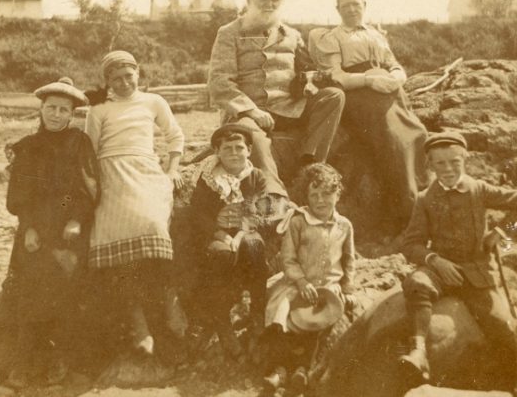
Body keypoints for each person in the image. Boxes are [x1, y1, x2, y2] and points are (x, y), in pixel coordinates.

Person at [399, 131, 517, 391]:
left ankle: (513, 384)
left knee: (505, 330)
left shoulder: (479, 189)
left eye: (455, 162)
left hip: (476, 273)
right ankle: (418, 351)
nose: (448, 169)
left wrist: (501, 232)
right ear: (430, 165)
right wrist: (436, 261)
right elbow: (410, 244)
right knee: (416, 283)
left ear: (465, 159)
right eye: (440, 163)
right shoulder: (425, 199)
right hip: (440, 271)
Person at [208, 0, 345, 201]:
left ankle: (311, 164)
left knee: (334, 96)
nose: (269, 4)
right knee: (253, 137)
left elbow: (306, 71)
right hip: (248, 112)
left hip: (288, 108)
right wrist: (252, 111)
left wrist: (310, 81)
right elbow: (219, 83)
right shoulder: (229, 32)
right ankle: (275, 194)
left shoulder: (292, 34)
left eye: (275, 0)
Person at [86, 50, 185, 356]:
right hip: (111, 174)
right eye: (116, 78)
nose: (124, 83)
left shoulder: (154, 101)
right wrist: (95, 186)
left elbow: (175, 137)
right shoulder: (99, 110)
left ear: (138, 73)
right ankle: (139, 324)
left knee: (155, 227)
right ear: (107, 81)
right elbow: (89, 151)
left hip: (146, 169)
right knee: (118, 244)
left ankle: (170, 302)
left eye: (129, 76)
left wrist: (172, 170)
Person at [308, 0, 427, 231]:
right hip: (359, 94)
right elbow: (337, 76)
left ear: (364, 6)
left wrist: (397, 77)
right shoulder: (333, 37)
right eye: (346, 6)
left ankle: (425, 202)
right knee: (393, 138)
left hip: (389, 91)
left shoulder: (375, 34)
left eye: (356, 4)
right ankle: (406, 213)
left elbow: (393, 64)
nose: (352, 10)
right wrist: (369, 80)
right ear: (338, 9)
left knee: (418, 132)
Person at [4, 77, 99, 387]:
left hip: (70, 229)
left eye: (63, 110)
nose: (56, 115)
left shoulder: (79, 143)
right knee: (30, 291)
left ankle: (61, 359)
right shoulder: (28, 147)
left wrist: (77, 220)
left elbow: (89, 187)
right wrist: (29, 228)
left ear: (71, 114)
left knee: (66, 290)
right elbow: (20, 195)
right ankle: (24, 362)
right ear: (41, 109)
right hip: (36, 228)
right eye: (51, 108)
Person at [262, 163, 356, 395]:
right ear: (306, 196)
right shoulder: (298, 222)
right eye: (314, 195)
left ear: (337, 194)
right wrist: (301, 281)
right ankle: (279, 369)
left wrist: (348, 288)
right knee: (282, 316)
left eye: (326, 194)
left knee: (320, 322)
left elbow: (349, 260)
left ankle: (302, 370)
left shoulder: (344, 226)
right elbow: (288, 259)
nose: (320, 200)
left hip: (328, 287)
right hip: (297, 284)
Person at [189, 123, 270, 361]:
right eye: (227, 149)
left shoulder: (256, 177)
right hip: (216, 234)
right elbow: (199, 214)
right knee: (221, 254)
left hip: (245, 231)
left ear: (249, 150)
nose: (234, 153)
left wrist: (240, 234)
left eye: (239, 148)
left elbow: (258, 211)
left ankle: (257, 314)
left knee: (254, 246)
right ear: (217, 152)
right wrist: (221, 234)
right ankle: (222, 322)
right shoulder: (209, 179)